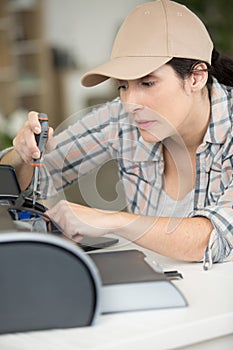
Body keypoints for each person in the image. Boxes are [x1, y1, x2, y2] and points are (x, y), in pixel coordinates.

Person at [1, 0, 233, 269]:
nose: (130, 102)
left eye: (147, 83)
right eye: (123, 86)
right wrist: (23, 155)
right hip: (159, 293)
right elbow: (23, 185)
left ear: (196, 77)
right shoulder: (121, 120)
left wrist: (111, 220)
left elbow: (215, 237)